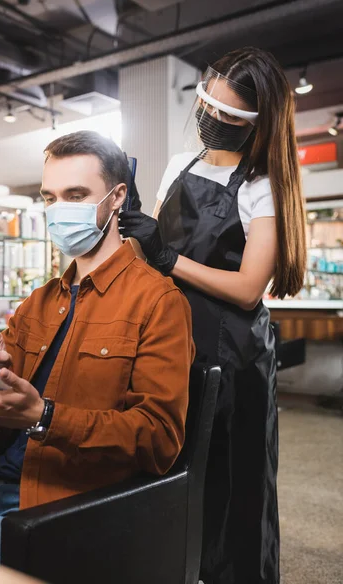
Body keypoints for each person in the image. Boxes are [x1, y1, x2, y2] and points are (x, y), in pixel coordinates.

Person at [0, 131, 194, 564]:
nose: (59, 210)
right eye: (50, 197)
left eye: (75, 195)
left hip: (66, 497)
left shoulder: (159, 302)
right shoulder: (38, 302)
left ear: (116, 198)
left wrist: (44, 418)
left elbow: (159, 440)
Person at [119, 47, 306, 584]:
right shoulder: (182, 167)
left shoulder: (262, 185)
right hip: (172, 338)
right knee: (172, 467)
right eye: (207, 106)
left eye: (228, 117)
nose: (212, 121)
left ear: (256, 124)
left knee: (232, 479)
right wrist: (131, 230)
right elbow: (147, 257)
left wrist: (169, 258)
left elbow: (249, 290)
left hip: (233, 352)